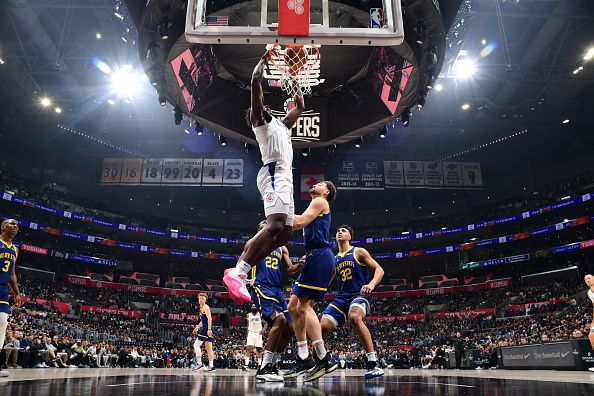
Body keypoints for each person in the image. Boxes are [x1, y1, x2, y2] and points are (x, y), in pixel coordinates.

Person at [223, 50, 304, 305]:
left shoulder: (282, 124)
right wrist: (264, 58)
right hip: (272, 173)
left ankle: (239, 271)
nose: (265, 106)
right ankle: (239, 272)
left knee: (284, 236)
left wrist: (295, 82)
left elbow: (300, 107)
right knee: (275, 225)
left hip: (285, 176)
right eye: (261, 106)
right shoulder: (260, 123)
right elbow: (255, 82)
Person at [284, 181, 338, 381]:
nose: (316, 184)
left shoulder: (320, 202)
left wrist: (279, 213)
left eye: (321, 184)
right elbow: (299, 221)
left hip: (320, 255)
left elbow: (298, 222)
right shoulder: (314, 204)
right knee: (293, 307)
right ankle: (304, 357)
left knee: (305, 306)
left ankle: (324, 358)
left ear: (327, 192)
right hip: (313, 255)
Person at [319, 225, 385, 379]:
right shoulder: (334, 259)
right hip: (341, 298)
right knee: (321, 327)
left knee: (354, 317)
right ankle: (321, 362)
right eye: (338, 231)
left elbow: (379, 269)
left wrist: (371, 284)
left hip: (359, 295)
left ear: (350, 237)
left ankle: (373, 362)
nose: (340, 232)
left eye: (344, 230)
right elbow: (326, 282)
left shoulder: (358, 251)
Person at [247, 220, 302, 382]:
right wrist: (240, 277)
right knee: (280, 320)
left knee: (291, 327)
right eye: (263, 225)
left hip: (277, 290)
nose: (268, 226)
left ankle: (272, 365)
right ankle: (264, 367)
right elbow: (242, 262)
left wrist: (300, 264)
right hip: (261, 287)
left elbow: (290, 269)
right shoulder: (254, 243)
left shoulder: (281, 247)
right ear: (259, 230)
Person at [0, 219, 21, 378]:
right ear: (3, 227)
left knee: (2, 324)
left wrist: (16, 293)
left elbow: (12, 273)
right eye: (12, 223)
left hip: (3, 290)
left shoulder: (15, 249)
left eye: (17, 225)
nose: (15, 226)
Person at [192, 293, 215, 371]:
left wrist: (209, 329)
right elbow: (203, 320)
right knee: (209, 348)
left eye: (202, 298)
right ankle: (211, 366)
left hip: (205, 329)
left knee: (196, 345)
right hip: (205, 328)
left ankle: (199, 364)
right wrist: (197, 327)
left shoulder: (206, 307)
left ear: (205, 300)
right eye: (200, 298)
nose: (201, 299)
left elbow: (209, 318)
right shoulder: (201, 307)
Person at [245, 304, 267, 369]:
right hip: (251, 332)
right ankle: (246, 365)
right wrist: (247, 333)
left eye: (255, 306)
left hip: (258, 333)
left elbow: (265, 323)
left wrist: (263, 330)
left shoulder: (260, 315)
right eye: (252, 306)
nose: (254, 307)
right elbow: (248, 324)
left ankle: (260, 365)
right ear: (251, 308)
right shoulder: (248, 315)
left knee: (259, 349)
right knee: (248, 348)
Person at [585, 274, 594, 372]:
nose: (587, 280)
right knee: (591, 336)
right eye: (585, 279)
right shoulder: (589, 292)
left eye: (589, 278)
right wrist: (592, 322)